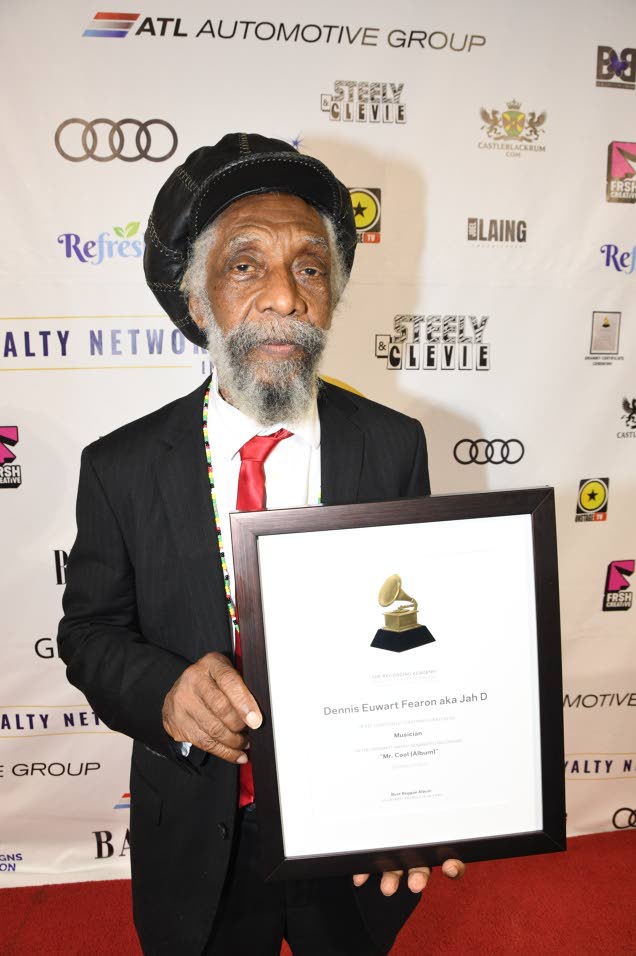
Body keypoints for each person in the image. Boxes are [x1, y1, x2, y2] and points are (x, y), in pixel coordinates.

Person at [58, 133, 465, 956]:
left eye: (310, 268)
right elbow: (89, 633)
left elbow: (419, 637)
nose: (285, 295)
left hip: (352, 826)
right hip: (197, 830)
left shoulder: (394, 445)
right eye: (246, 265)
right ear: (198, 301)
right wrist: (166, 692)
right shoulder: (120, 467)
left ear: (332, 296)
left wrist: (426, 792)